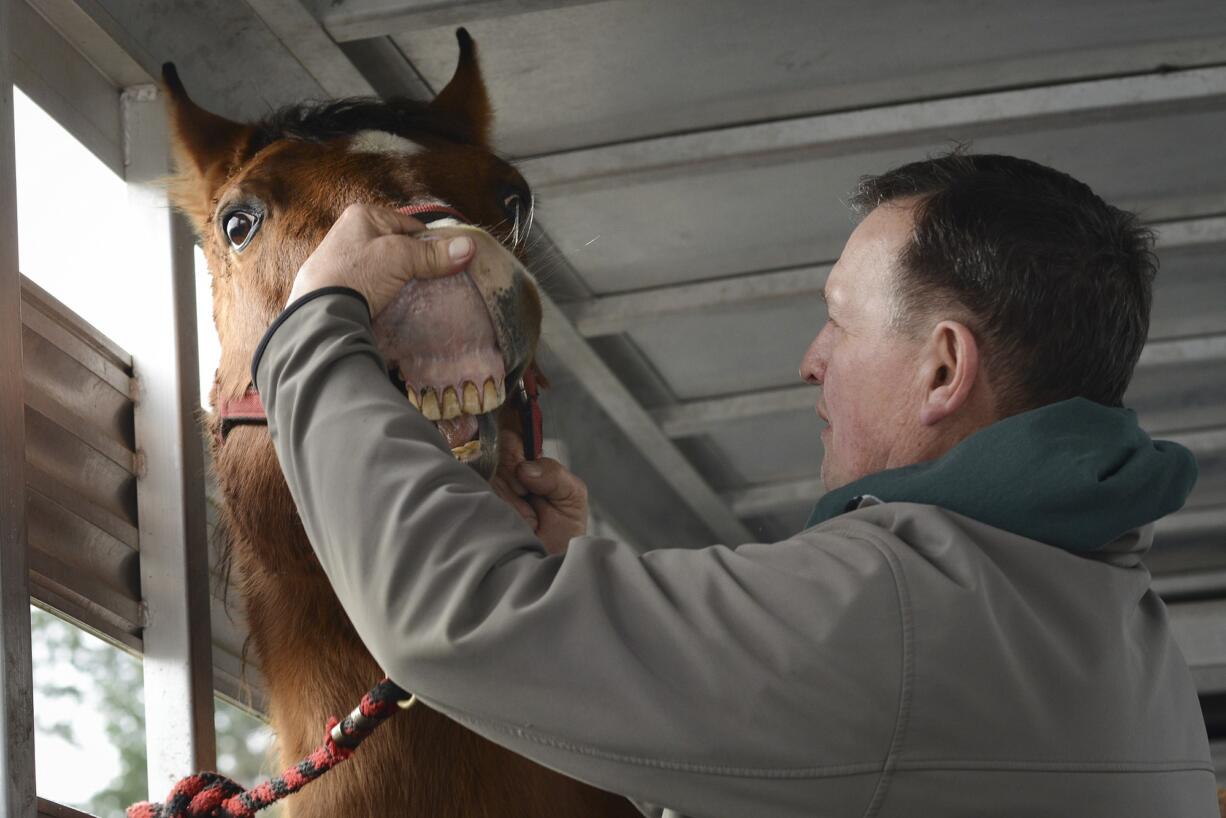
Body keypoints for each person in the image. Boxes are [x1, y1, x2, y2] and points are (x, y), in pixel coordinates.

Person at [252, 152, 1219, 817]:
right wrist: (579, 594)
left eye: (840, 321)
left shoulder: (908, 609)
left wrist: (311, 328)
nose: (811, 360)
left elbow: (454, 619)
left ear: (942, 369)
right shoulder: (1100, 616)